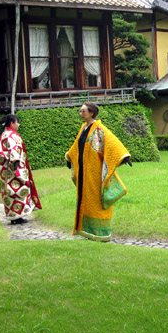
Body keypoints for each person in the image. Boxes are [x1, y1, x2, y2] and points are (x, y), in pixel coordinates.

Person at [65, 102, 131, 242]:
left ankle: (101, 232)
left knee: (97, 199)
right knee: (86, 199)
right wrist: (70, 157)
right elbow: (76, 146)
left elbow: (112, 142)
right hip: (84, 172)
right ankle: (86, 230)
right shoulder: (83, 128)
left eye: (83, 111)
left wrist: (123, 156)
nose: (81, 113)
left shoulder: (99, 129)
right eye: (80, 111)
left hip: (95, 172)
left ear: (91, 113)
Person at [0, 114, 41, 224]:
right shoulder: (10, 135)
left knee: (11, 192)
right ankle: (17, 216)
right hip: (13, 168)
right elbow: (13, 149)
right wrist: (16, 162)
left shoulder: (5, 134)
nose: (18, 125)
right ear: (12, 123)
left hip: (7, 169)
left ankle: (15, 216)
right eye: (17, 122)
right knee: (17, 191)